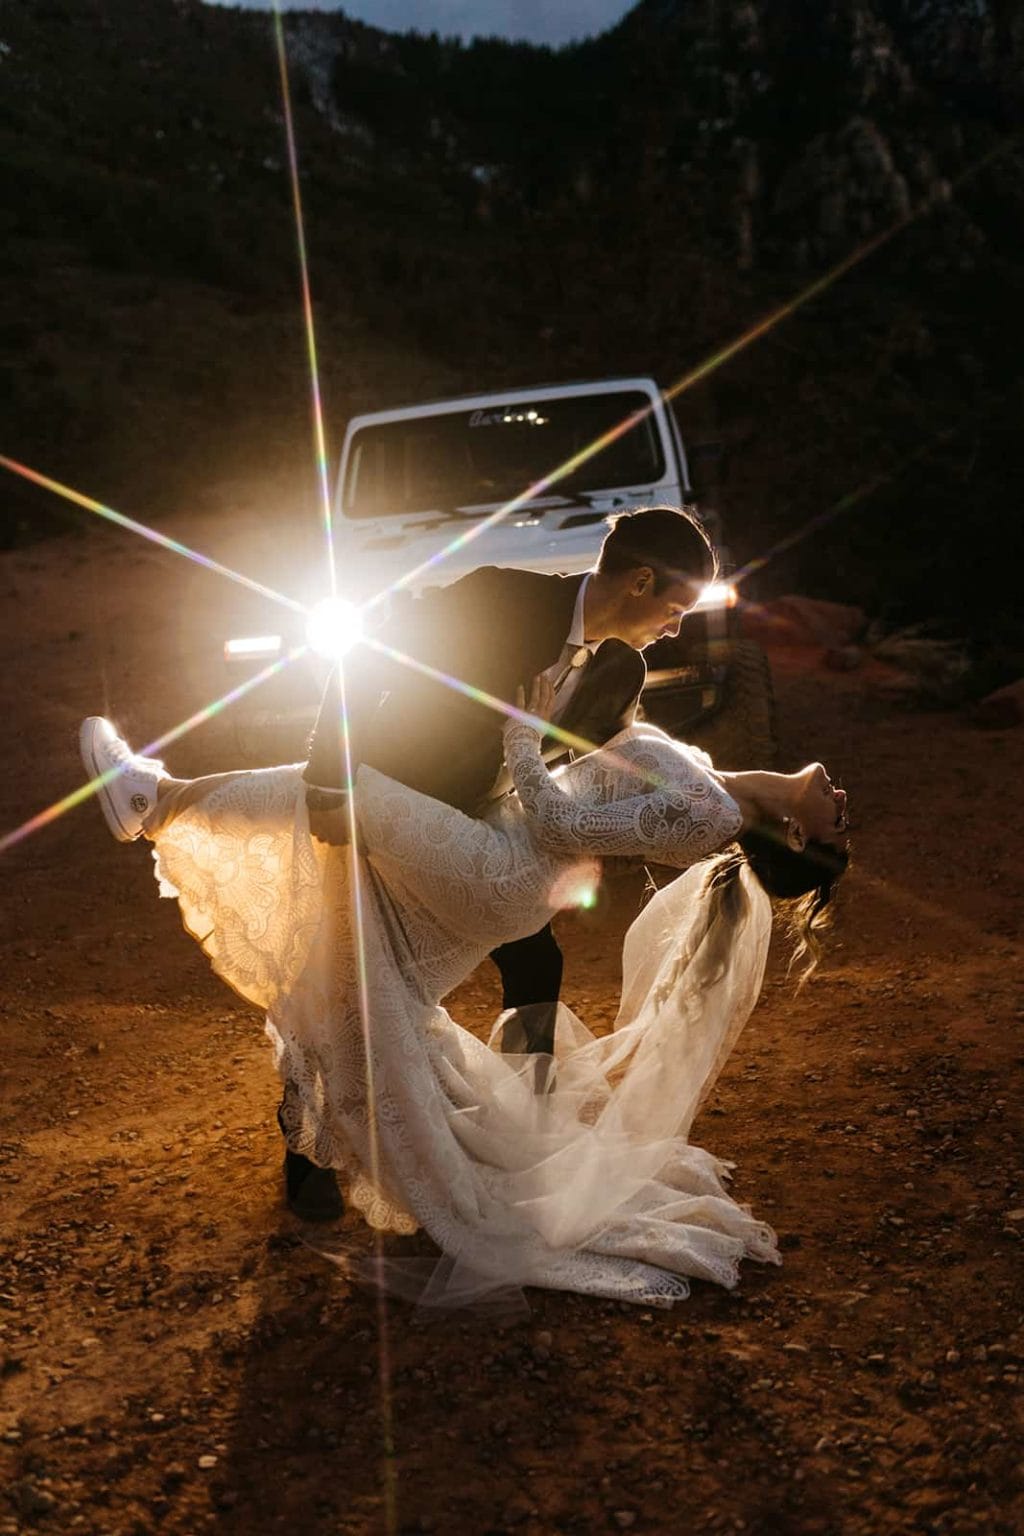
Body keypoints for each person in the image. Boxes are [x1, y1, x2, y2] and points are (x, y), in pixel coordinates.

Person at [79, 672, 848, 1313]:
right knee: (369, 974)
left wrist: (521, 725)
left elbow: (559, 816)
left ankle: (156, 797)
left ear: (796, 837)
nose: (843, 799)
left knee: (346, 793)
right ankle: (321, 1151)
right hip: (501, 850)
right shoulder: (714, 779)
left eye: (840, 825)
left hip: (507, 865)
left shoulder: (711, 813)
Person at [297, 504, 718, 1216]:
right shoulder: (500, 595)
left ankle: (526, 1132)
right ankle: (306, 1153)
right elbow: (364, 658)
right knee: (355, 982)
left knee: (534, 964)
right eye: (676, 609)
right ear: (640, 582)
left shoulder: (621, 671)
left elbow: (604, 768)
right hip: (389, 807)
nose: (677, 628)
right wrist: (325, 777)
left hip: (477, 830)